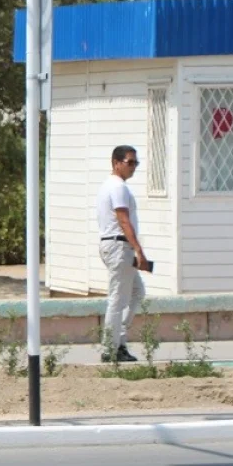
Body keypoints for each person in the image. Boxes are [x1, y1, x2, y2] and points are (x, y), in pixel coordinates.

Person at [98, 145, 146, 363]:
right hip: (120, 246)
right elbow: (123, 219)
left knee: (137, 292)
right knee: (117, 299)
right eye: (129, 162)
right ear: (116, 163)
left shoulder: (113, 186)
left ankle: (120, 341)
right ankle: (110, 349)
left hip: (117, 246)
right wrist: (138, 249)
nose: (133, 167)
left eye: (135, 163)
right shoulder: (118, 187)